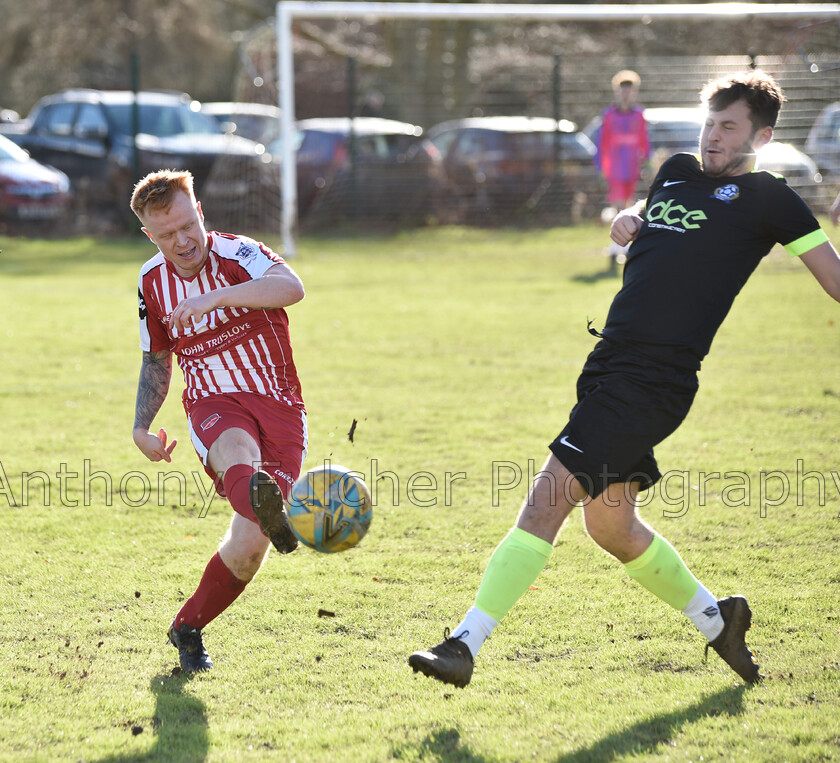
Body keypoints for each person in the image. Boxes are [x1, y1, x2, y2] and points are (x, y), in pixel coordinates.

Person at [409, 71, 840, 688]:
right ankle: (719, 620)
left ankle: (463, 643)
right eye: (708, 123)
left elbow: (835, 280)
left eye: (728, 127)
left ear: (762, 136)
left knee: (548, 498)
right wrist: (628, 216)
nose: (712, 137)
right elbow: (651, 208)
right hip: (609, 362)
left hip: (654, 378)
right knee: (609, 523)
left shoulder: (771, 198)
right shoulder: (676, 169)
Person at [130, 169, 307, 672]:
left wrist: (216, 298)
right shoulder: (150, 282)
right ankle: (258, 495)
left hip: (279, 404)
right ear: (149, 234)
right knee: (236, 452)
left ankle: (187, 627)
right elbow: (156, 358)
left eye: (188, 226)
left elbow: (290, 287)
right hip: (212, 401)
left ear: (200, 212)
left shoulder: (238, 253)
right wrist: (141, 426)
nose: (182, 241)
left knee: (249, 545)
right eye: (166, 234)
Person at [595, 70, 650, 270]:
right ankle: (616, 248)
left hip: (632, 166)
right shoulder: (609, 115)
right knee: (620, 207)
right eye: (623, 89)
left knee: (629, 205)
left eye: (630, 90)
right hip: (615, 166)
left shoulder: (638, 114)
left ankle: (620, 249)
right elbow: (603, 141)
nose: (626, 94)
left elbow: (644, 140)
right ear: (617, 91)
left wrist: (647, 160)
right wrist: (601, 164)